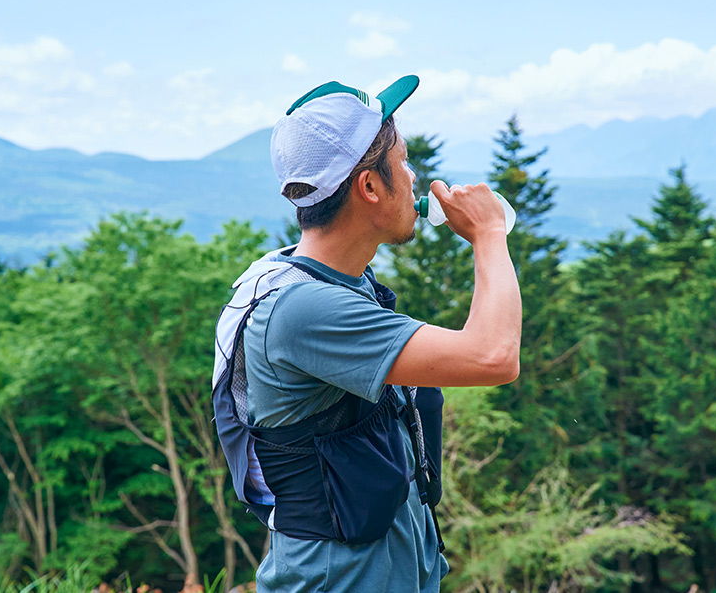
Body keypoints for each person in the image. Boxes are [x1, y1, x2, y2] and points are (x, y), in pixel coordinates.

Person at [212, 75, 522, 592]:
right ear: (371, 187)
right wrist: (489, 235)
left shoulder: (338, 283)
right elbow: (493, 357)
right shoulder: (302, 309)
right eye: (403, 161)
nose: (415, 175)